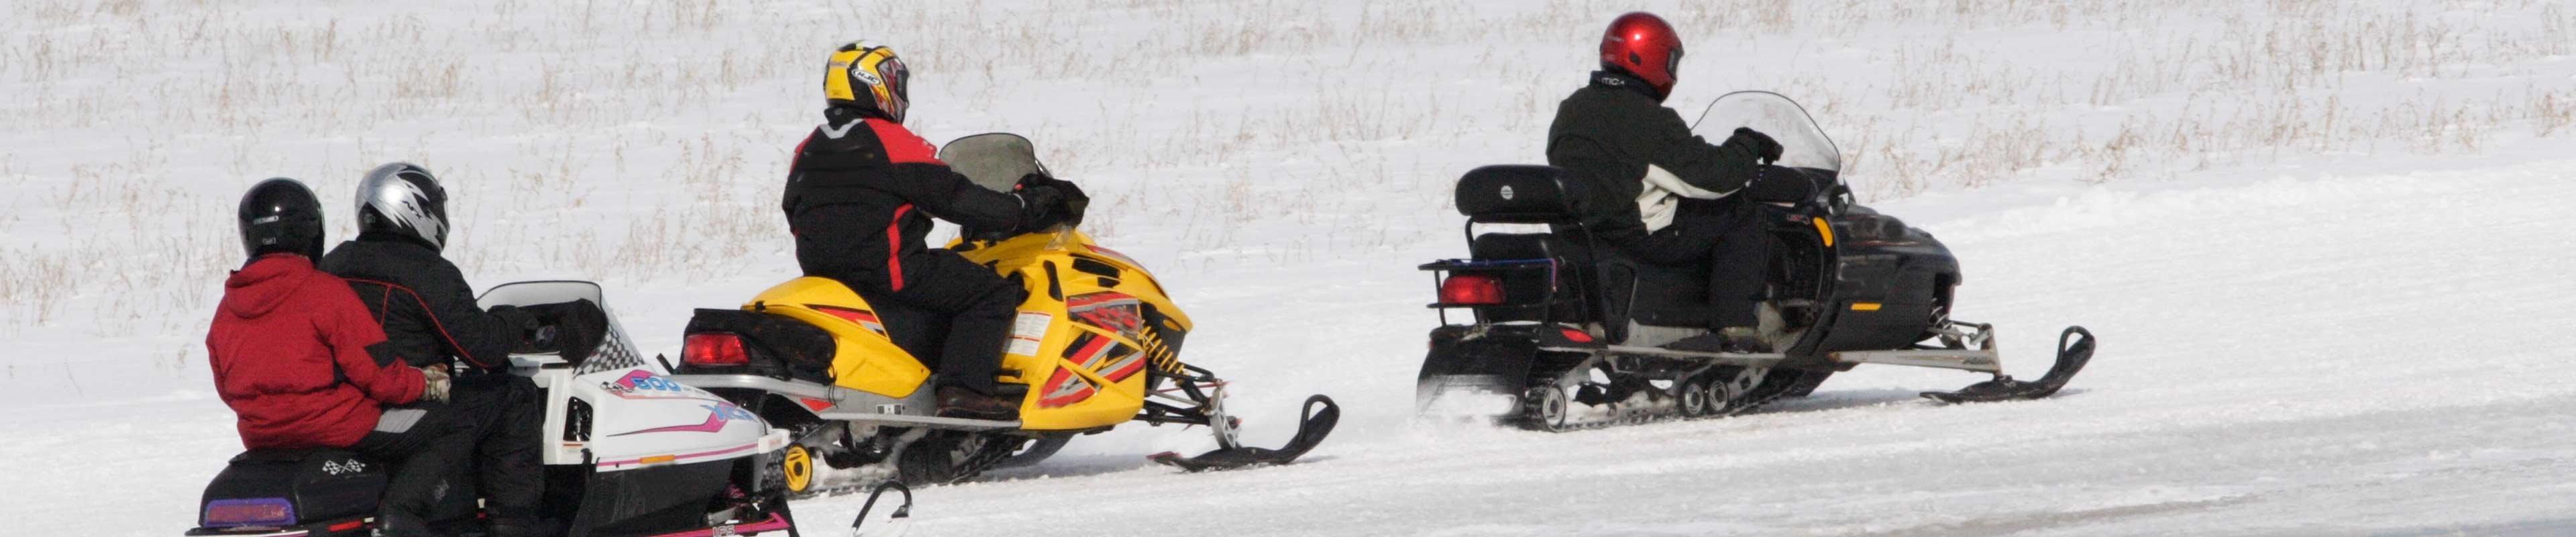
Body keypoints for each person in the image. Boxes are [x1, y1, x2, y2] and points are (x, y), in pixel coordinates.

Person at [782, 40, 1084, 420]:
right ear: (879, 86)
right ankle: (965, 391)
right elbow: (956, 198)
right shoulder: (890, 140)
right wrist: (1021, 208)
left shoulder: (809, 146)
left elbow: (795, 208)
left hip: (825, 275)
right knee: (991, 292)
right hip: (890, 271)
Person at [207, 178, 500, 536]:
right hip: (340, 427)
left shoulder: (228, 307)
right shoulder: (326, 292)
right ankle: (401, 515)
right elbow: (383, 379)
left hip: (261, 435)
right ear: (312, 232)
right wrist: (426, 383)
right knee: (454, 422)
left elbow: (226, 388)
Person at [317, 162, 580, 537]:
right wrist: (512, 320)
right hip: (407, 399)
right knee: (513, 395)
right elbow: (483, 350)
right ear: (413, 209)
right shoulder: (426, 271)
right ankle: (513, 523)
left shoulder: (334, 263)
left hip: (349, 400)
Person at [1546, 11, 1815, 352]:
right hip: (1640, 235)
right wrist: (1747, 145)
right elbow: (1714, 178)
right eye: (1671, 60)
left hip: (1589, 232)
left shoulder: (1573, 108)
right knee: (1742, 211)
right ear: (1653, 57)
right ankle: (1735, 326)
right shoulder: (1645, 117)